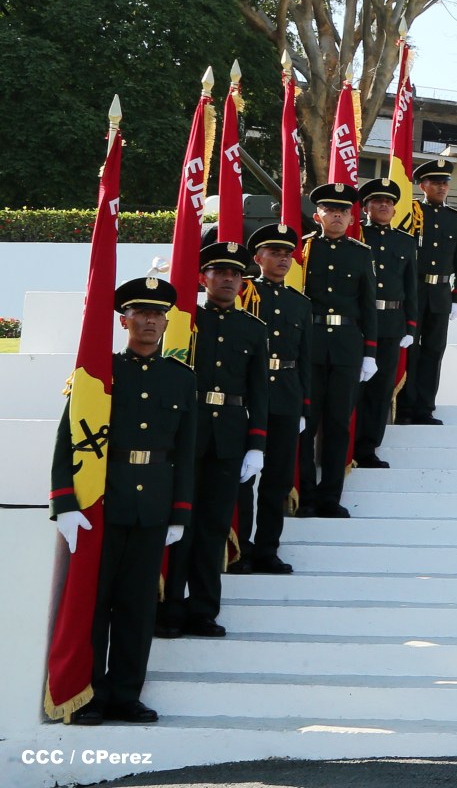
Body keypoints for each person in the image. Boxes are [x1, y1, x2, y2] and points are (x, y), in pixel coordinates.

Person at [49, 277, 198, 725]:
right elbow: (69, 439)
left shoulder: (181, 378)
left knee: (138, 607)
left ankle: (127, 695)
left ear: (167, 322)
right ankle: (91, 695)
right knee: (96, 604)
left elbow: (185, 450)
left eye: (157, 314)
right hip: (102, 502)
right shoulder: (100, 373)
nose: (150, 321)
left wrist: (179, 511)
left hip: (153, 505)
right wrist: (65, 502)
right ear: (123, 320)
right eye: (141, 313)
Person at [158, 241, 268, 638]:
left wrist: (256, 445)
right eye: (219, 272)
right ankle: (171, 607)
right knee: (180, 522)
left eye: (235, 274)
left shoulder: (253, 329)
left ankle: (203, 609)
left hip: (229, 437)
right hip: (186, 434)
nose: (228, 279)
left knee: (213, 527)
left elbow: (259, 392)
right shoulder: (184, 322)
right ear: (203, 278)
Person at [298, 181, 377, 518]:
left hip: (346, 346)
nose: (337, 216)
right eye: (330, 210)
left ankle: (330, 496)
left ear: (352, 217)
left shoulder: (361, 253)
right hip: (310, 345)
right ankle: (305, 495)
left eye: (343, 211)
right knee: (307, 422)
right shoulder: (303, 250)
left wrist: (370, 352)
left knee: (337, 424)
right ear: (317, 215)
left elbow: (368, 305)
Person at [239, 223, 309, 574]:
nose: (283, 259)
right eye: (274, 253)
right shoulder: (245, 294)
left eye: (287, 254)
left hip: (286, 396)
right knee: (244, 479)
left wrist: (304, 407)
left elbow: (305, 358)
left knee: (277, 478)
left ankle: (268, 549)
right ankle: (240, 547)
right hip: (249, 397)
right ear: (258, 258)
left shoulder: (300, 303)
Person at [353, 177, 418, 466]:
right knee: (355, 388)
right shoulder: (356, 237)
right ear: (366, 207)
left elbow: (411, 288)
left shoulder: (405, 242)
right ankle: (347, 446)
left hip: (391, 324)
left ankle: (368, 449)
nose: (383, 205)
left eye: (389, 202)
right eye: (377, 201)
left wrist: (411, 325)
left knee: (380, 390)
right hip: (358, 323)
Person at [403, 158, 457, 425]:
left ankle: (425, 408)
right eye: (436, 183)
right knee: (410, 350)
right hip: (414, 291)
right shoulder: (411, 213)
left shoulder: (456, 219)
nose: (442, 187)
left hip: (440, 293)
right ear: (423, 185)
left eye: (445, 183)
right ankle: (404, 406)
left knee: (433, 351)